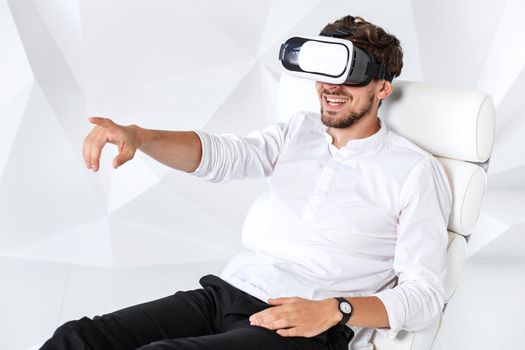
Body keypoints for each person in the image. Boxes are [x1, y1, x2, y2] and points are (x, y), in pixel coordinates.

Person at [41, 15, 451, 350]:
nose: (331, 87)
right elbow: (222, 156)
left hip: (304, 325)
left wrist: (336, 310)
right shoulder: (298, 131)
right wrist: (140, 136)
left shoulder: (413, 170)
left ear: (382, 87)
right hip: (227, 292)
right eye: (325, 72)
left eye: (350, 75)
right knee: (79, 339)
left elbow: (425, 294)